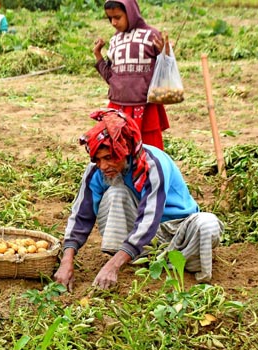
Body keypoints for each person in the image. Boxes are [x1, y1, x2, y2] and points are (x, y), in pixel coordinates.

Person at [54, 109, 222, 291]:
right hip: (140, 236)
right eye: (98, 159)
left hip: (177, 230)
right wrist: (67, 259)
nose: (103, 166)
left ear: (125, 151)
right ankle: (129, 258)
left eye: (109, 158)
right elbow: (81, 215)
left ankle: (179, 263)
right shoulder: (96, 170)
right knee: (116, 193)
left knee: (208, 224)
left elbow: (150, 217)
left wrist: (113, 266)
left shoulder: (151, 165)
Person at [93, 0, 169, 150]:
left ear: (131, 13)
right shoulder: (115, 40)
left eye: (117, 17)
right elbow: (111, 77)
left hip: (145, 106)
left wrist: (165, 55)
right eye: (110, 18)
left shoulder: (151, 36)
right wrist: (98, 56)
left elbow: (165, 72)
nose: (113, 23)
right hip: (118, 105)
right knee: (118, 150)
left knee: (149, 151)